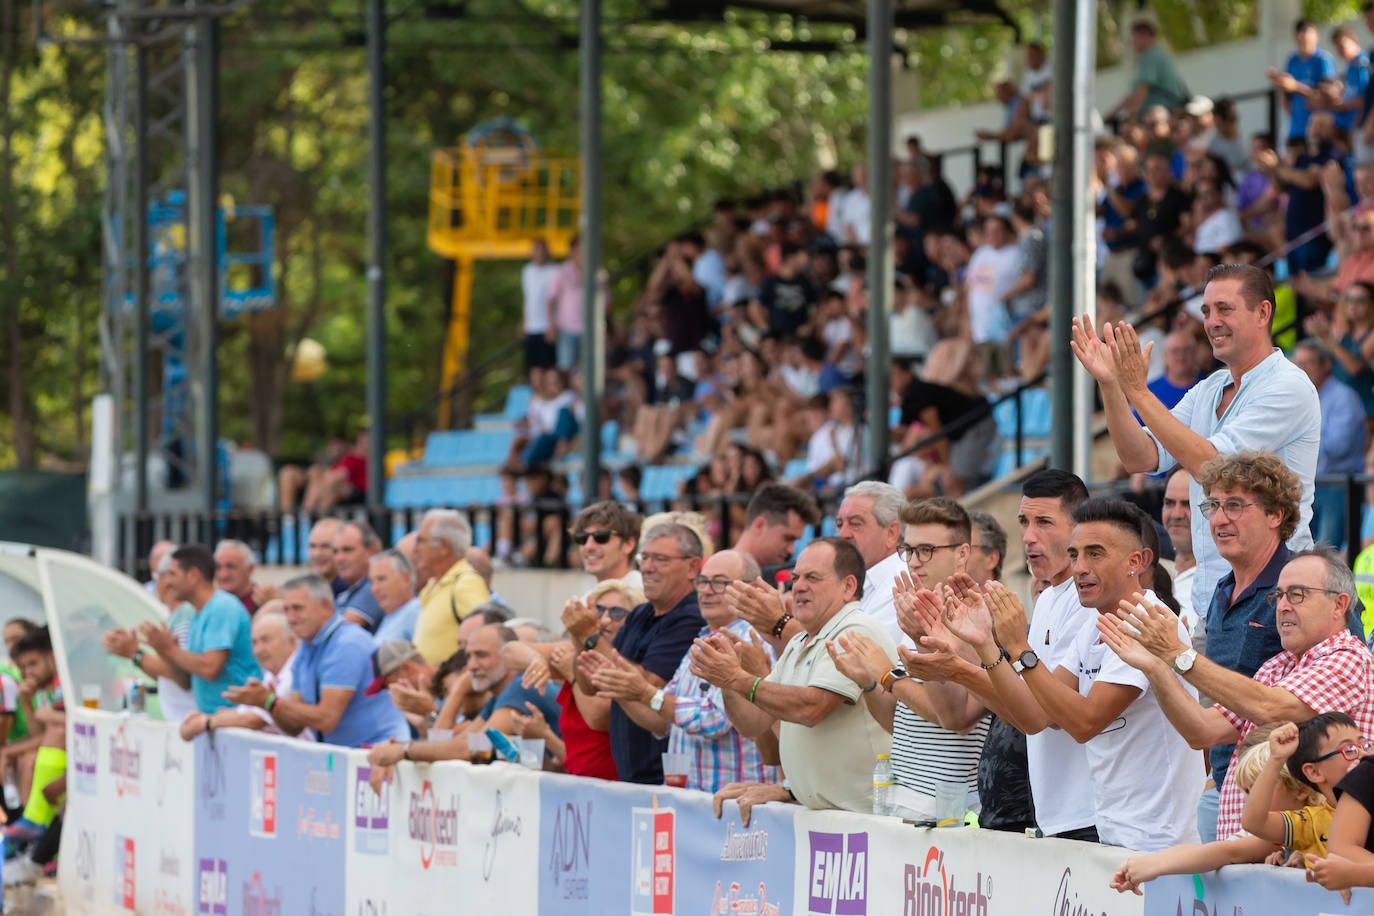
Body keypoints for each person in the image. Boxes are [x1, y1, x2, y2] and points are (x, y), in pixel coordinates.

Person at [949, 498, 1202, 851]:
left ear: (1136, 561)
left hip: (1158, 839)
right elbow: (1036, 716)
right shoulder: (1098, 624)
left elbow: (1084, 723)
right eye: (1075, 554)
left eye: (1095, 554)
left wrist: (1021, 648)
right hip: (1115, 831)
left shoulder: (1149, 622)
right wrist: (986, 646)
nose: (1080, 567)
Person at [1073, 262, 1320, 616]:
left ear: (1263, 312)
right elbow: (1140, 457)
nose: (1211, 321)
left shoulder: (1288, 385)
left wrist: (1139, 392)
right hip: (1214, 597)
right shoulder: (1209, 388)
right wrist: (1111, 385)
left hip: (1274, 596)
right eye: (1206, 311)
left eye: (1224, 309)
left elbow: (1213, 467)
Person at [1099, 545, 1374, 839]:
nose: (1282, 607)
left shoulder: (1348, 659)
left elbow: (1268, 707)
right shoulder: (1276, 666)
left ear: (1339, 604)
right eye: (1278, 596)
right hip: (1259, 858)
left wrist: (1177, 652)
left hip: (1300, 864)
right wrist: (1156, 666)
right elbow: (1202, 731)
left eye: (1297, 595)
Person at [900, 470, 1096, 840]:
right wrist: (974, 651)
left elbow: (1043, 715)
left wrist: (959, 666)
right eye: (1024, 522)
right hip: (1046, 815)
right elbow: (1019, 714)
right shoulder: (1051, 597)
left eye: (1044, 523)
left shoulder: (1088, 601)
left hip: (1087, 816)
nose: (1029, 537)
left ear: (1079, 527)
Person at [698, 538, 897, 816]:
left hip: (864, 817)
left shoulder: (854, 629)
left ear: (848, 586)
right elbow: (755, 723)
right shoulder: (800, 640)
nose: (799, 586)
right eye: (796, 578)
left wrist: (738, 679)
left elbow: (811, 708)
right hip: (829, 817)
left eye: (812, 578)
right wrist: (726, 680)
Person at [826, 497, 993, 821]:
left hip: (949, 807)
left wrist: (890, 675)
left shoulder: (980, 617)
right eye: (910, 550)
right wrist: (869, 682)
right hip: (904, 794)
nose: (914, 562)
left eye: (926, 550)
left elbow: (954, 719)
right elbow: (900, 723)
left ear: (962, 553)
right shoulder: (916, 612)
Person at [587, 550, 777, 793]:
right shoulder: (701, 640)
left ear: (750, 590)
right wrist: (623, 689)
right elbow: (662, 720)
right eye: (702, 582)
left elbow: (713, 720)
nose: (707, 591)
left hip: (734, 813)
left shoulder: (751, 642)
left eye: (719, 583)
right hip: (692, 805)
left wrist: (646, 694)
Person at [1108, 719, 1332, 894]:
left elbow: (1227, 852)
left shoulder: (1304, 822)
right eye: (1246, 792)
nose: (1249, 801)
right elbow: (1210, 848)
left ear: (1301, 789)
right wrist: (1152, 861)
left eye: (1256, 790)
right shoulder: (1280, 828)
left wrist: (1156, 866)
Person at [565, 523, 705, 784]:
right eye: (645, 558)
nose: (648, 568)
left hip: (663, 779)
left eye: (660, 560)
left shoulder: (691, 618)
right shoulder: (641, 613)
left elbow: (646, 686)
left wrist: (591, 637)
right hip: (630, 779)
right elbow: (590, 684)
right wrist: (580, 639)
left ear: (692, 567)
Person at [224, 574, 408, 748]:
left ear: (326, 606)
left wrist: (272, 702)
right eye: (287, 609)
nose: (291, 618)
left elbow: (326, 719)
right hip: (352, 756)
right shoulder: (306, 647)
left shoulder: (347, 643)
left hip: (379, 754)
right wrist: (267, 704)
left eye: (298, 608)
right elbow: (293, 726)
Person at [138, 544, 259, 716]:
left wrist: (168, 649)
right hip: (215, 720)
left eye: (172, 574)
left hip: (234, 719)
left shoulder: (221, 608)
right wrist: (165, 651)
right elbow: (185, 680)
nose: (168, 582)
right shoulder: (200, 613)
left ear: (193, 575)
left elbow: (210, 668)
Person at [554, 578, 644, 780]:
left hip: (619, 788)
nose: (604, 620)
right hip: (581, 790)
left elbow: (599, 718)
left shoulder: (639, 665)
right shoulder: (573, 654)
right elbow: (509, 650)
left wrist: (571, 672)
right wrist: (534, 660)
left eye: (616, 613)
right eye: (599, 610)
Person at [178, 605, 310, 741]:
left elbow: (255, 720)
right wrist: (207, 718)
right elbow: (245, 713)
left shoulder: (294, 672)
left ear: (292, 641)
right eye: (254, 643)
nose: (258, 650)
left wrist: (205, 723)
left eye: (265, 640)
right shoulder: (272, 674)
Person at [1292, 339, 1367, 548]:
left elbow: (1338, 447)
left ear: (1326, 365)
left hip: (1337, 485)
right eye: (1297, 363)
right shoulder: (1297, 397)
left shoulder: (1344, 397)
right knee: (1298, 547)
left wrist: (1296, 441)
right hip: (1304, 485)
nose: (1301, 369)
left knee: (1326, 549)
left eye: (1308, 363)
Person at [1, 629, 65, 849]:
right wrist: (26, 703)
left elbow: (51, 734)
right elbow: (40, 736)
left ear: (51, 657)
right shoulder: (36, 689)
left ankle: (33, 824)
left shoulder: (61, 683)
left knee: (29, 759)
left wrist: (8, 751)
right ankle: (30, 829)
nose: (27, 672)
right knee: (26, 756)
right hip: (55, 751)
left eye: (33, 664)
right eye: (23, 667)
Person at [413, 509, 491, 664]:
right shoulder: (433, 584)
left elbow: (488, 641)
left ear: (443, 546)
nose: (415, 549)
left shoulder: (466, 583)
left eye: (421, 541)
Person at [1269, 19, 1338, 141]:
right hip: (1296, 128)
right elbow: (1286, 93)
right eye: (1300, 37)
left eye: (1307, 36)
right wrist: (1281, 86)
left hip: (1318, 131)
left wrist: (1295, 87)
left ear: (1316, 36)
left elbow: (1326, 96)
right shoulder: (1292, 60)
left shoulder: (1322, 60)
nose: (1303, 41)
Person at [1107, 17, 1189, 121]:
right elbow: (1133, 94)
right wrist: (1110, 114)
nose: (1132, 42)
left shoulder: (1150, 56)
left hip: (1165, 112)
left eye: (1134, 37)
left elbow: (1142, 90)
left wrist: (1131, 117)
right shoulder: (1157, 52)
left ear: (1144, 35)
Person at [731, 483, 820, 574]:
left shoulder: (785, 580)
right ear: (759, 526)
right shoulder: (720, 578)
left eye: (794, 541)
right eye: (788, 538)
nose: (792, 550)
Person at [569, 500, 642, 590]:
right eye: (582, 538)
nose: (588, 546)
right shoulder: (586, 599)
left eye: (601, 537)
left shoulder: (645, 595)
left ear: (628, 544)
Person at [333, 521, 385, 630]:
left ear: (371, 551)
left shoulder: (374, 587)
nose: (339, 558)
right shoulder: (350, 590)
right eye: (335, 552)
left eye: (347, 550)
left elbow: (339, 633)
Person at [521, 239, 559, 382]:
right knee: (533, 367)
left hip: (546, 326)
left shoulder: (554, 271)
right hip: (532, 326)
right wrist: (524, 321)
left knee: (547, 366)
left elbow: (554, 300)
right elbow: (527, 297)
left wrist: (552, 324)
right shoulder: (527, 271)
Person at [368, 550, 423, 646]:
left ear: (406, 579)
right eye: (372, 582)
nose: (374, 589)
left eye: (381, 579)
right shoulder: (391, 615)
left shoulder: (415, 612)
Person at [213, 540, 260, 615]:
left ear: (249, 569)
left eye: (231, 567)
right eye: (218, 567)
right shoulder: (208, 604)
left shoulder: (263, 603)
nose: (223, 575)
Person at [303, 518, 347, 596]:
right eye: (312, 546)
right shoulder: (303, 587)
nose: (317, 553)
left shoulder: (350, 588)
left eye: (325, 546)